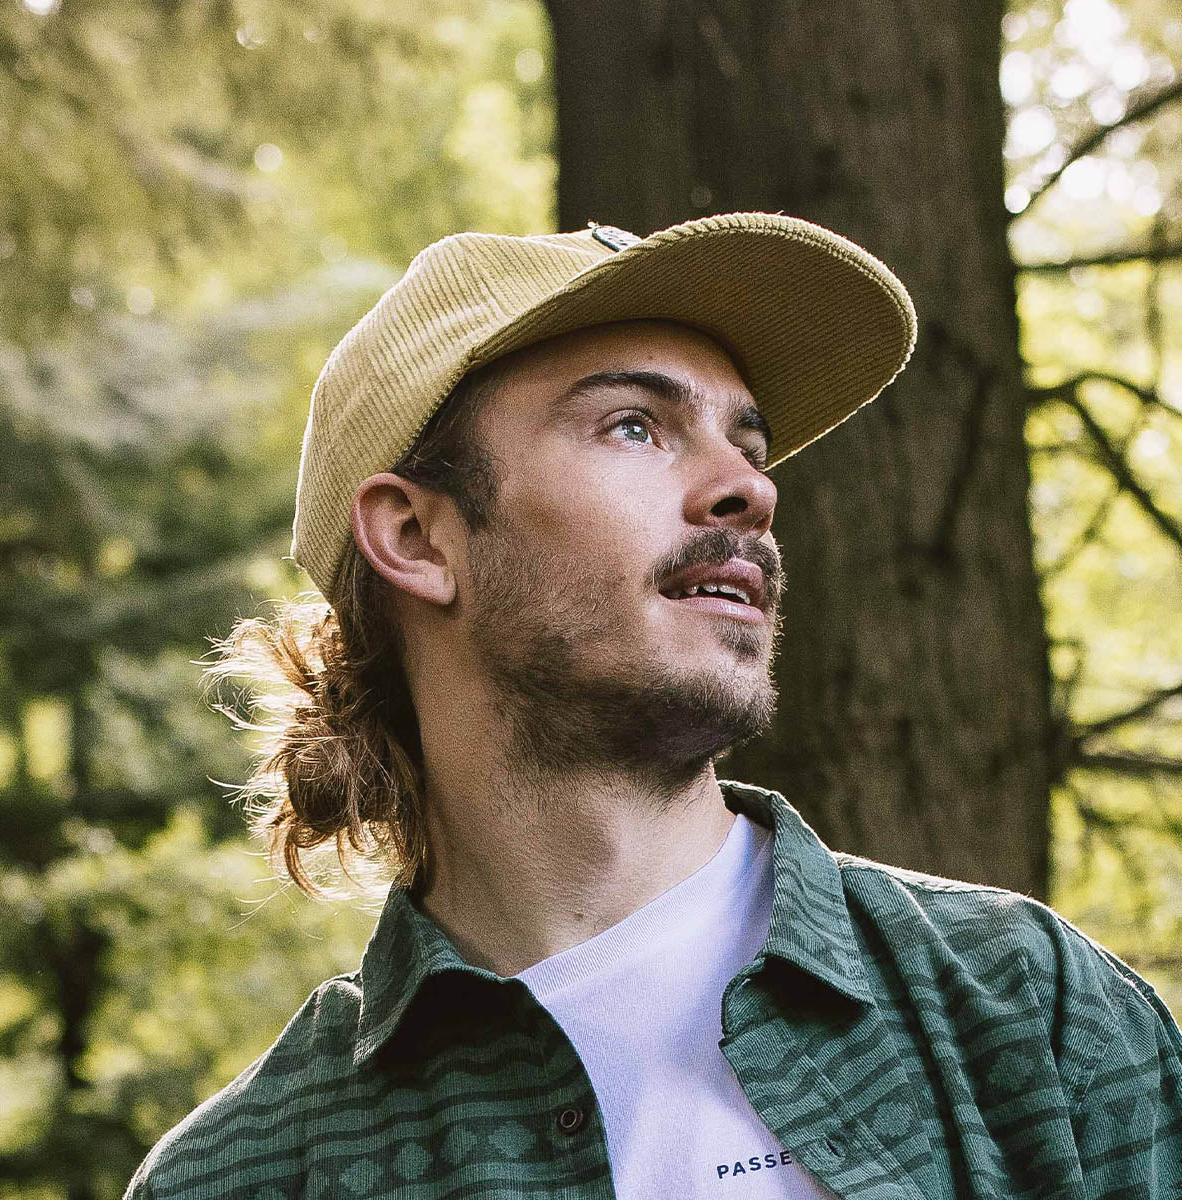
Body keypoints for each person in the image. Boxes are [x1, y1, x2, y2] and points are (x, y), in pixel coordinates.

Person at [124, 213, 1182, 1200]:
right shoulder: (246, 1174)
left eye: (749, 446)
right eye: (634, 426)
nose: (751, 490)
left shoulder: (1032, 1015)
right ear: (416, 537)